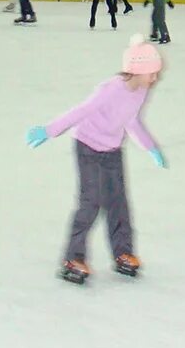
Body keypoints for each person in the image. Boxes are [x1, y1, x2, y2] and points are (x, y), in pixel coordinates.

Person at [25, 35, 167, 284]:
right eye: (152, 73)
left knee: (118, 203)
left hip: (112, 151)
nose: (154, 78)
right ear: (137, 70)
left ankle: (123, 252)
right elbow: (82, 111)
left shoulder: (140, 91)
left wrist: (150, 147)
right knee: (91, 203)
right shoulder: (111, 89)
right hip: (88, 148)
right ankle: (72, 258)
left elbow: (131, 121)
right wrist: (50, 130)